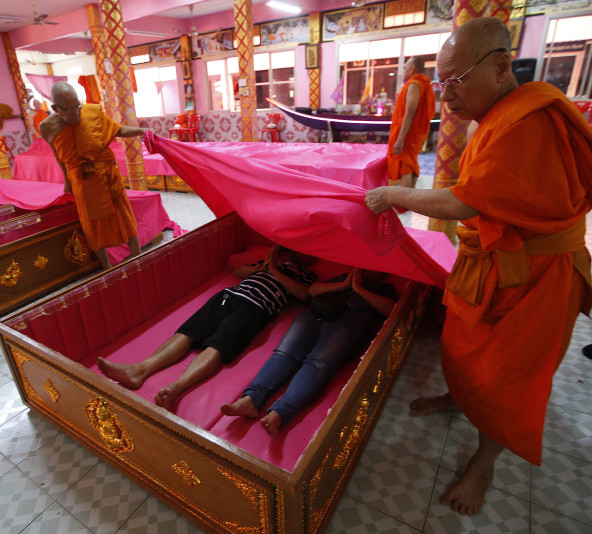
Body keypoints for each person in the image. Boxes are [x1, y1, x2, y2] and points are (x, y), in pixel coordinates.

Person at [364, 17, 592, 516]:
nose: (445, 98)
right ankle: (461, 397)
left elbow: (467, 202)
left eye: (455, 82)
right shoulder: (496, 114)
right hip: (495, 260)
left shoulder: (530, 120)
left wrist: (394, 195)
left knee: (509, 378)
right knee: (467, 347)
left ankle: (484, 463)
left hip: (535, 276)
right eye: (441, 83)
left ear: (502, 65)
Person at [97, 246, 317, 409]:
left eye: (308, 252)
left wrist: (274, 271)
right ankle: (138, 370)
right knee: (186, 334)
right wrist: (262, 267)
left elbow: (303, 295)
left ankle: (176, 387)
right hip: (228, 296)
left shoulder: (305, 276)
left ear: (311, 259)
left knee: (217, 346)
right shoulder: (267, 262)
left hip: (255, 308)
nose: (301, 252)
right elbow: (238, 271)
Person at [221, 268, 397, 434]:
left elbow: (389, 309)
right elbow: (312, 291)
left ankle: (280, 412)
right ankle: (251, 399)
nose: (367, 269)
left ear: (383, 271)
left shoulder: (385, 288)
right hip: (314, 316)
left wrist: (358, 290)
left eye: (373, 267)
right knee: (284, 353)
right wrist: (343, 285)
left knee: (317, 365)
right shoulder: (343, 277)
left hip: (348, 325)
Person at [40, 82, 149, 270]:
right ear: (55, 108)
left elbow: (118, 130)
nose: (76, 113)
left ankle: (138, 259)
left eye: (77, 107)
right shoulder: (46, 127)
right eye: (69, 110)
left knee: (124, 215)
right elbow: (59, 155)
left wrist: (142, 131)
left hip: (107, 174)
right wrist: (67, 180)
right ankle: (107, 268)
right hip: (81, 180)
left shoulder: (92, 112)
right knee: (92, 224)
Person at [387, 55, 436, 188]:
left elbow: (410, 113)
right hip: (415, 131)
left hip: (408, 133)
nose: (404, 71)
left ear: (412, 69)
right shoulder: (424, 83)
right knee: (410, 164)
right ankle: (410, 199)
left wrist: (400, 138)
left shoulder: (415, 84)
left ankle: (405, 202)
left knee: (406, 167)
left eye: (406, 67)